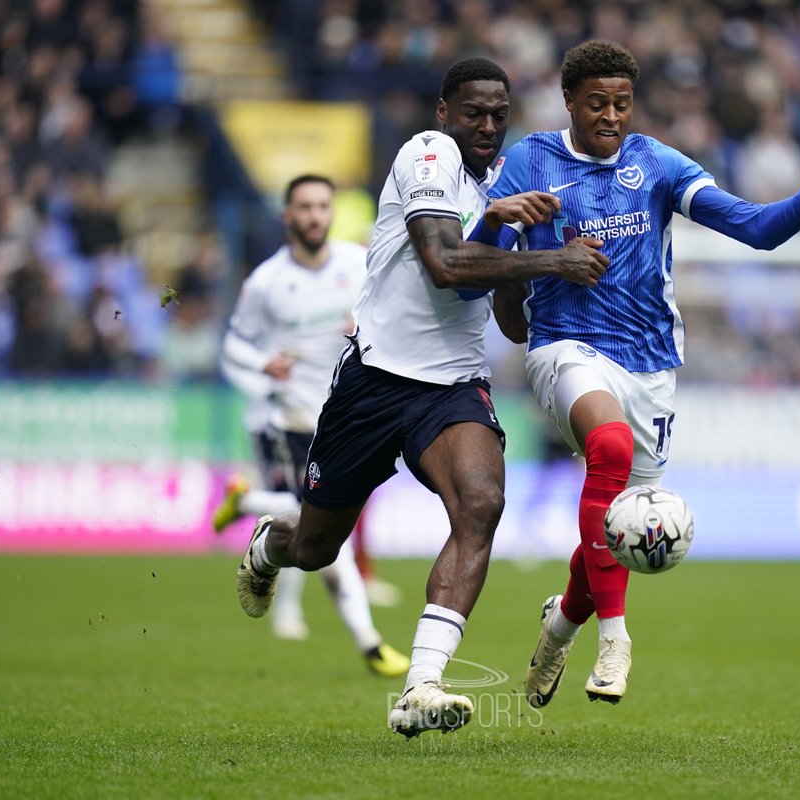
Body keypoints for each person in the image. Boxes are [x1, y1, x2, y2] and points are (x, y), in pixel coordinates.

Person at [470, 40, 800, 707]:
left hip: (651, 364)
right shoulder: (530, 161)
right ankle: (617, 641)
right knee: (609, 448)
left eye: (621, 103)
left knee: (620, 525)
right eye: (596, 103)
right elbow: (479, 267)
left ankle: (562, 625)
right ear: (569, 101)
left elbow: (755, 229)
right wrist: (496, 221)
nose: (610, 116)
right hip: (563, 346)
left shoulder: (656, 164)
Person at [232, 57, 610, 738]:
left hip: (454, 385)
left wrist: (536, 261)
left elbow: (510, 321)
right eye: (474, 112)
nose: (488, 127)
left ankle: (422, 684)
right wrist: (548, 257)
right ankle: (268, 547)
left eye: (499, 116)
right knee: (316, 547)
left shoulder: (510, 185)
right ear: (445, 113)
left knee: (482, 503)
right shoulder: (427, 154)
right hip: (375, 379)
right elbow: (444, 265)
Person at [214, 173, 409, 677]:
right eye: (305, 207)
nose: (316, 215)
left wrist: (366, 325)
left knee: (309, 522)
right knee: (309, 516)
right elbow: (234, 344)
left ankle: (245, 502)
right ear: (287, 216)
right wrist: (262, 365)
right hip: (284, 417)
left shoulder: (356, 263)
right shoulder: (265, 282)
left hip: (341, 415)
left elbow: (391, 309)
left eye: (323, 206)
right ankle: (370, 643)